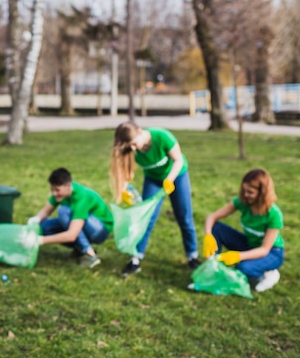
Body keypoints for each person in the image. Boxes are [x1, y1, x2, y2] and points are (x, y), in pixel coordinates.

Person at [110, 121, 199, 277]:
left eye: (133, 143)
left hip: (177, 175)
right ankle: (136, 259)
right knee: (146, 218)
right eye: (129, 146)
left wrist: (169, 180)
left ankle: (192, 256)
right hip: (153, 180)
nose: (132, 148)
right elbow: (123, 169)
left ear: (140, 131)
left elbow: (178, 160)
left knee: (184, 216)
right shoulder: (131, 147)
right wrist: (124, 188)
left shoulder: (162, 137)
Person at [203, 168, 284, 292]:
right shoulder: (243, 202)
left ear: (262, 193)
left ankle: (268, 273)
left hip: (272, 252)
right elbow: (212, 217)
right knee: (215, 228)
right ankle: (212, 268)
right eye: (245, 191)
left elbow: (264, 249)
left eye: (250, 192)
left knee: (243, 268)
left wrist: (237, 256)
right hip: (250, 244)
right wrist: (208, 235)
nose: (246, 195)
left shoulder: (274, 214)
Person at [28, 167, 113, 268]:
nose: (54, 193)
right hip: (85, 225)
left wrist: (39, 240)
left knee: (64, 212)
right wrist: (35, 220)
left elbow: (72, 235)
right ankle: (80, 249)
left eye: (57, 190)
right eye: (52, 189)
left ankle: (90, 255)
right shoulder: (60, 195)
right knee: (44, 227)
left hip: (100, 230)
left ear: (68, 186)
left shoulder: (81, 197)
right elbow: (45, 211)